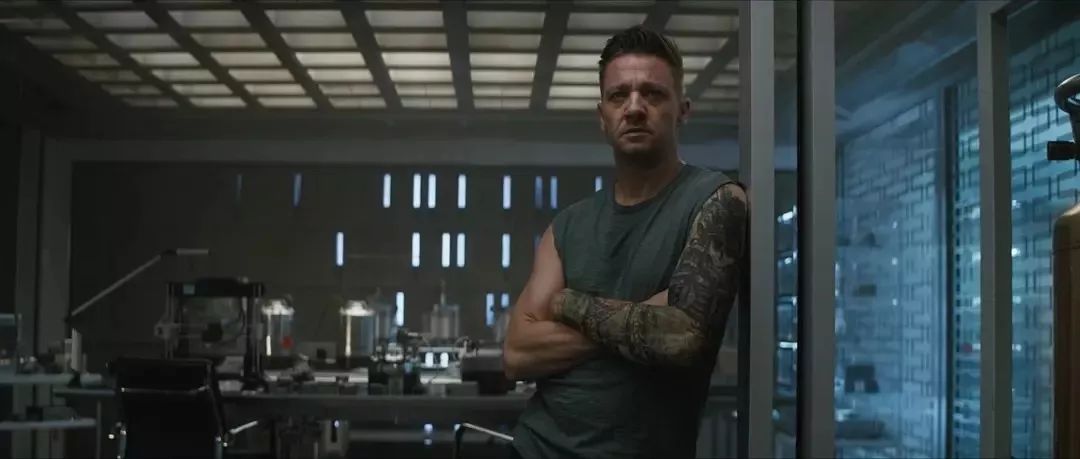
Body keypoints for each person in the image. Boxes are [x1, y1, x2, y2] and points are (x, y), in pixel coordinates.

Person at [502, 25, 748, 459]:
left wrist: (567, 304)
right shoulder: (569, 225)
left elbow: (682, 336)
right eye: (619, 96)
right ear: (602, 116)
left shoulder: (716, 200)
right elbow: (518, 354)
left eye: (652, 94)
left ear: (682, 110)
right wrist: (644, 315)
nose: (634, 107)